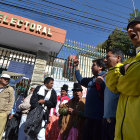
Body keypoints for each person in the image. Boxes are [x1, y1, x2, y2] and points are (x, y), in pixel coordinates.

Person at [105, 16, 140, 140]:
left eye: (134, 25)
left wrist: (124, 74)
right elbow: (112, 85)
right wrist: (122, 69)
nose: (129, 30)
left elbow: (135, 81)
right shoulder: (130, 60)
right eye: (128, 29)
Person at [73, 58, 106, 140]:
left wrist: (103, 84)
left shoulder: (107, 77)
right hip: (88, 118)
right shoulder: (92, 79)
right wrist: (76, 67)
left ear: (100, 67)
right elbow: (80, 80)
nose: (91, 67)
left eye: (94, 65)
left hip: (99, 119)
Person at [101, 48, 124, 140]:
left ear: (118, 58)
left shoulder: (123, 72)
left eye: (108, 57)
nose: (105, 60)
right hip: (106, 119)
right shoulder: (108, 75)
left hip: (116, 120)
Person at [0, 74, 14, 139]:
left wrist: (7, 112)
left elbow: (12, 101)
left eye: (8, 79)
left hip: (2, 113)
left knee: (0, 130)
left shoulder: (10, 89)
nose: (6, 80)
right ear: (0, 79)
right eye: (5, 78)